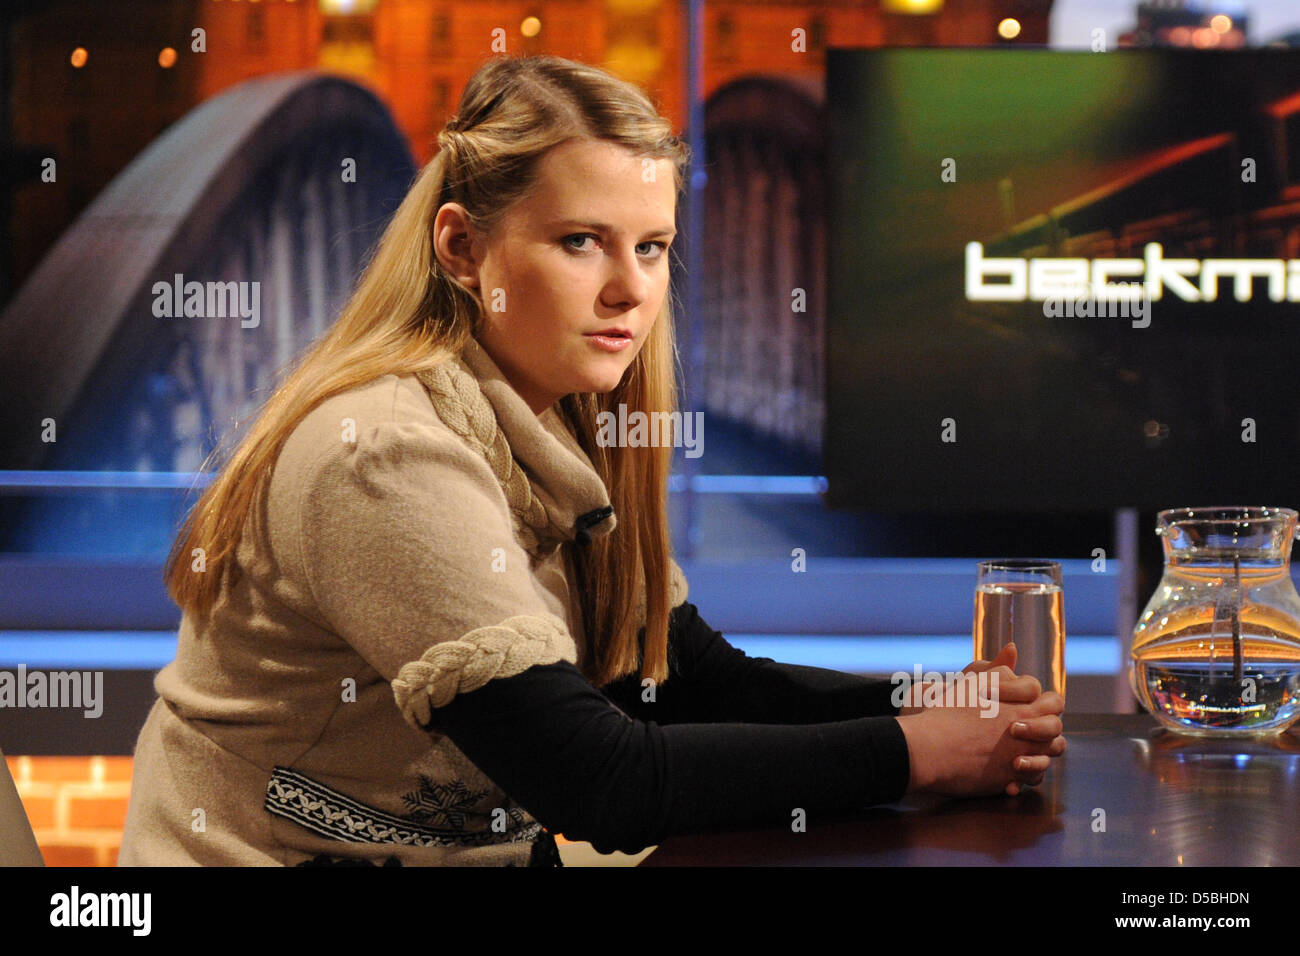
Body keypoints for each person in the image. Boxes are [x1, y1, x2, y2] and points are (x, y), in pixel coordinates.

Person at [119, 54, 1065, 867]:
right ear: (461, 247)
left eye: (652, 249)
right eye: (581, 242)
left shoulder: (564, 426)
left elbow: (692, 684)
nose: (630, 289)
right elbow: (597, 780)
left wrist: (936, 700)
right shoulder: (385, 451)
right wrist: (916, 752)